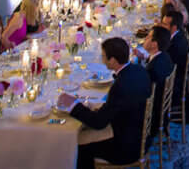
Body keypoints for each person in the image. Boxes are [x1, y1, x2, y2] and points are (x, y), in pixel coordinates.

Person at [58, 38, 152, 169]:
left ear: (112, 60)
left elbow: (99, 123)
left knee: (80, 146)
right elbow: (117, 107)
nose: (101, 59)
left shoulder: (120, 86)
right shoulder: (139, 70)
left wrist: (73, 105)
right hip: (140, 134)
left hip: (126, 148)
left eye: (103, 56)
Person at [160, 7, 189, 122]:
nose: (161, 26)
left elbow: (164, 64)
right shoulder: (179, 36)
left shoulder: (175, 44)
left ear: (173, 27)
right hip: (180, 75)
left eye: (164, 24)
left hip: (175, 83)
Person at [138, 25, 174, 140]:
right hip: (162, 110)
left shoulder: (152, 69)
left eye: (148, 37)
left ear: (154, 44)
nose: (145, 39)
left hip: (152, 116)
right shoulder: (165, 56)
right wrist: (144, 58)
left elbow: (142, 93)